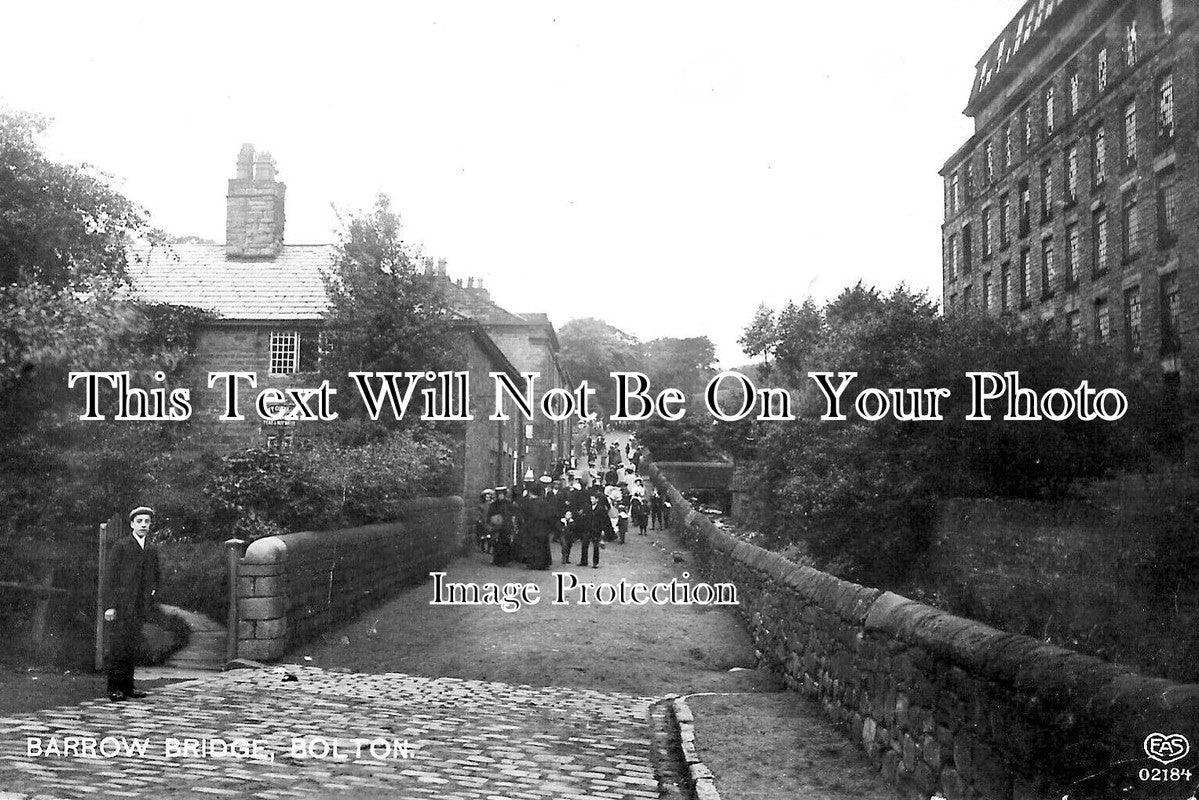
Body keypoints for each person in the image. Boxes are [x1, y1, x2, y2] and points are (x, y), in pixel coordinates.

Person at [103, 506, 161, 701]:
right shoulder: (122, 546)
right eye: (139, 521)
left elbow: (155, 576)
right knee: (118, 646)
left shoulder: (151, 549)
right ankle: (114, 688)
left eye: (146, 522)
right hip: (121, 605)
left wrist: (152, 592)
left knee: (131, 646)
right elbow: (110, 577)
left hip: (139, 607)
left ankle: (128, 687)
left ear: (150, 525)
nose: (143, 525)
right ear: (132, 524)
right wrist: (110, 606)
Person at [488, 487, 518, 566]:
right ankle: (497, 560)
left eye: (502, 494)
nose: (501, 496)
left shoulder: (508, 504)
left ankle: (505, 560)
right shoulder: (493, 505)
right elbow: (490, 515)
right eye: (499, 495)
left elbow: (512, 514)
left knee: (505, 543)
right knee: (496, 543)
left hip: (506, 526)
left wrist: (512, 524)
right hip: (497, 526)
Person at [475, 489, 497, 553]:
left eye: (489, 497)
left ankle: (489, 549)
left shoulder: (493, 505)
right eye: (486, 497)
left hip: (490, 522)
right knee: (483, 536)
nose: (487, 498)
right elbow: (480, 513)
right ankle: (483, 548)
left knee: (490, 536)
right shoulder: (482, 505)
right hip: (483, 521)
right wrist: (479, 519)